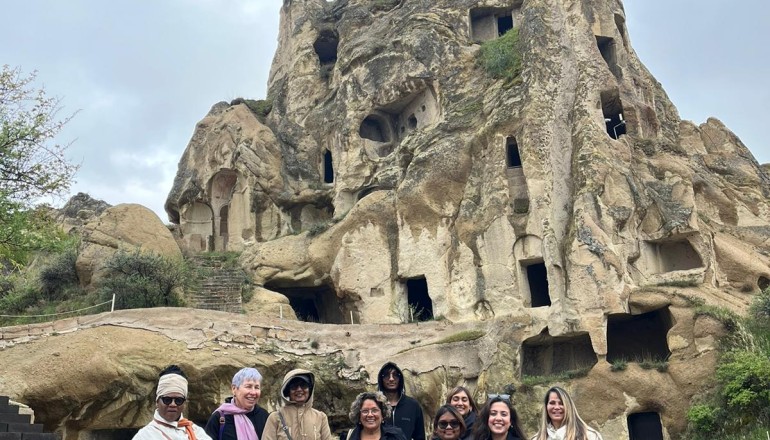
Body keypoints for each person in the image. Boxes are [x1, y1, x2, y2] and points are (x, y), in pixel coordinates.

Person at [134, 365, 212, 440]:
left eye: (178, 400)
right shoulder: (145, 436)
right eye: (167, 400)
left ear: (184, 403)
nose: (173, 404)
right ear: (157, 401)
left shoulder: (197, 432)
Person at [262, 369, 332, 440]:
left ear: (310, 389)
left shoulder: (321, 418)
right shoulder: (275, 417)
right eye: (294, 386)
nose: (299, 389)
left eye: (303, 385)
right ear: (287, 391)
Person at [205, 367, 269, 440]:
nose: (253, 392)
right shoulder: (219, 417)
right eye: (248, 387)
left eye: (257, 387)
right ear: (234, 389)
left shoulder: (264, 416)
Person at [530, 387, 603, 440]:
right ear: (546, 407)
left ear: (569, 406)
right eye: (552, 403)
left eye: (561, 403)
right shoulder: (537, 438)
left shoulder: (588, 436)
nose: (557, 407)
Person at [376, 362, 425, 440]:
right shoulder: (376, 404)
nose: (391, 379)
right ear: (381, 379)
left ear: (400, 379)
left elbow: (420, 437)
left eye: (395, 375)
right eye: (386, 375)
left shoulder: (413, 405)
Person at [342, 391, 407, 440]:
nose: (370, 415)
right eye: (365, 411)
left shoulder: (396, 436)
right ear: (359, 416)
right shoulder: (348, 437)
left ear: (382, 415)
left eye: (374, 410)